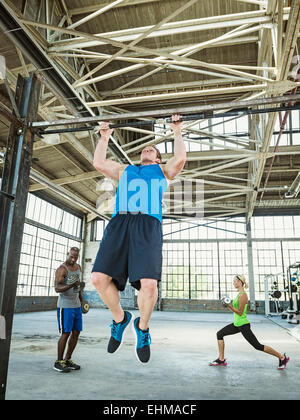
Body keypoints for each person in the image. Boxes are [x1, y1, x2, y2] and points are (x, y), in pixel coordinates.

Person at [91, 114, 186, 363]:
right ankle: (120, 319)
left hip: (148, 225)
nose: (147, 148)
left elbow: (180, 159)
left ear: (157, 158)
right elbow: (99, 162)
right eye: (146, 147)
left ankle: (142, 329)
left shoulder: (162, 171)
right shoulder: (125, 170)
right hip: (120, 222)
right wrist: (104, 137)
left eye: (153, 149)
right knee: (98, 279)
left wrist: (177, 131)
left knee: (149, 284)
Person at [210, 274, 290, 370]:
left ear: (240, 282)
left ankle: (282, 357)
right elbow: (236, 309)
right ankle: (221, 359)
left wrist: (229, 306)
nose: (233, 283)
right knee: (219, 334)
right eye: (233, 281)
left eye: (235, 281)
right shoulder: (239, 294)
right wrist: (227, 304)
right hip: (237, 324)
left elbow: (240, 313)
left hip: (243, 325)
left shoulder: (243, 295)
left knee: (257, 346)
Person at [54, 247, 83, 373]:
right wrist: (72, 284)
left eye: (75, 257)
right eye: (71, 256)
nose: (73, 259)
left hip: (76, 305)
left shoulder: (78, 267)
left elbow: (79, 286)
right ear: (67, 254)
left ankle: (67, 360)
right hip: (65, 306)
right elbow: (57, 288)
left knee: (76, 333)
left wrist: (82, 301)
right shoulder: (62, 269)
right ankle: (58, 362)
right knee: (66, 333)